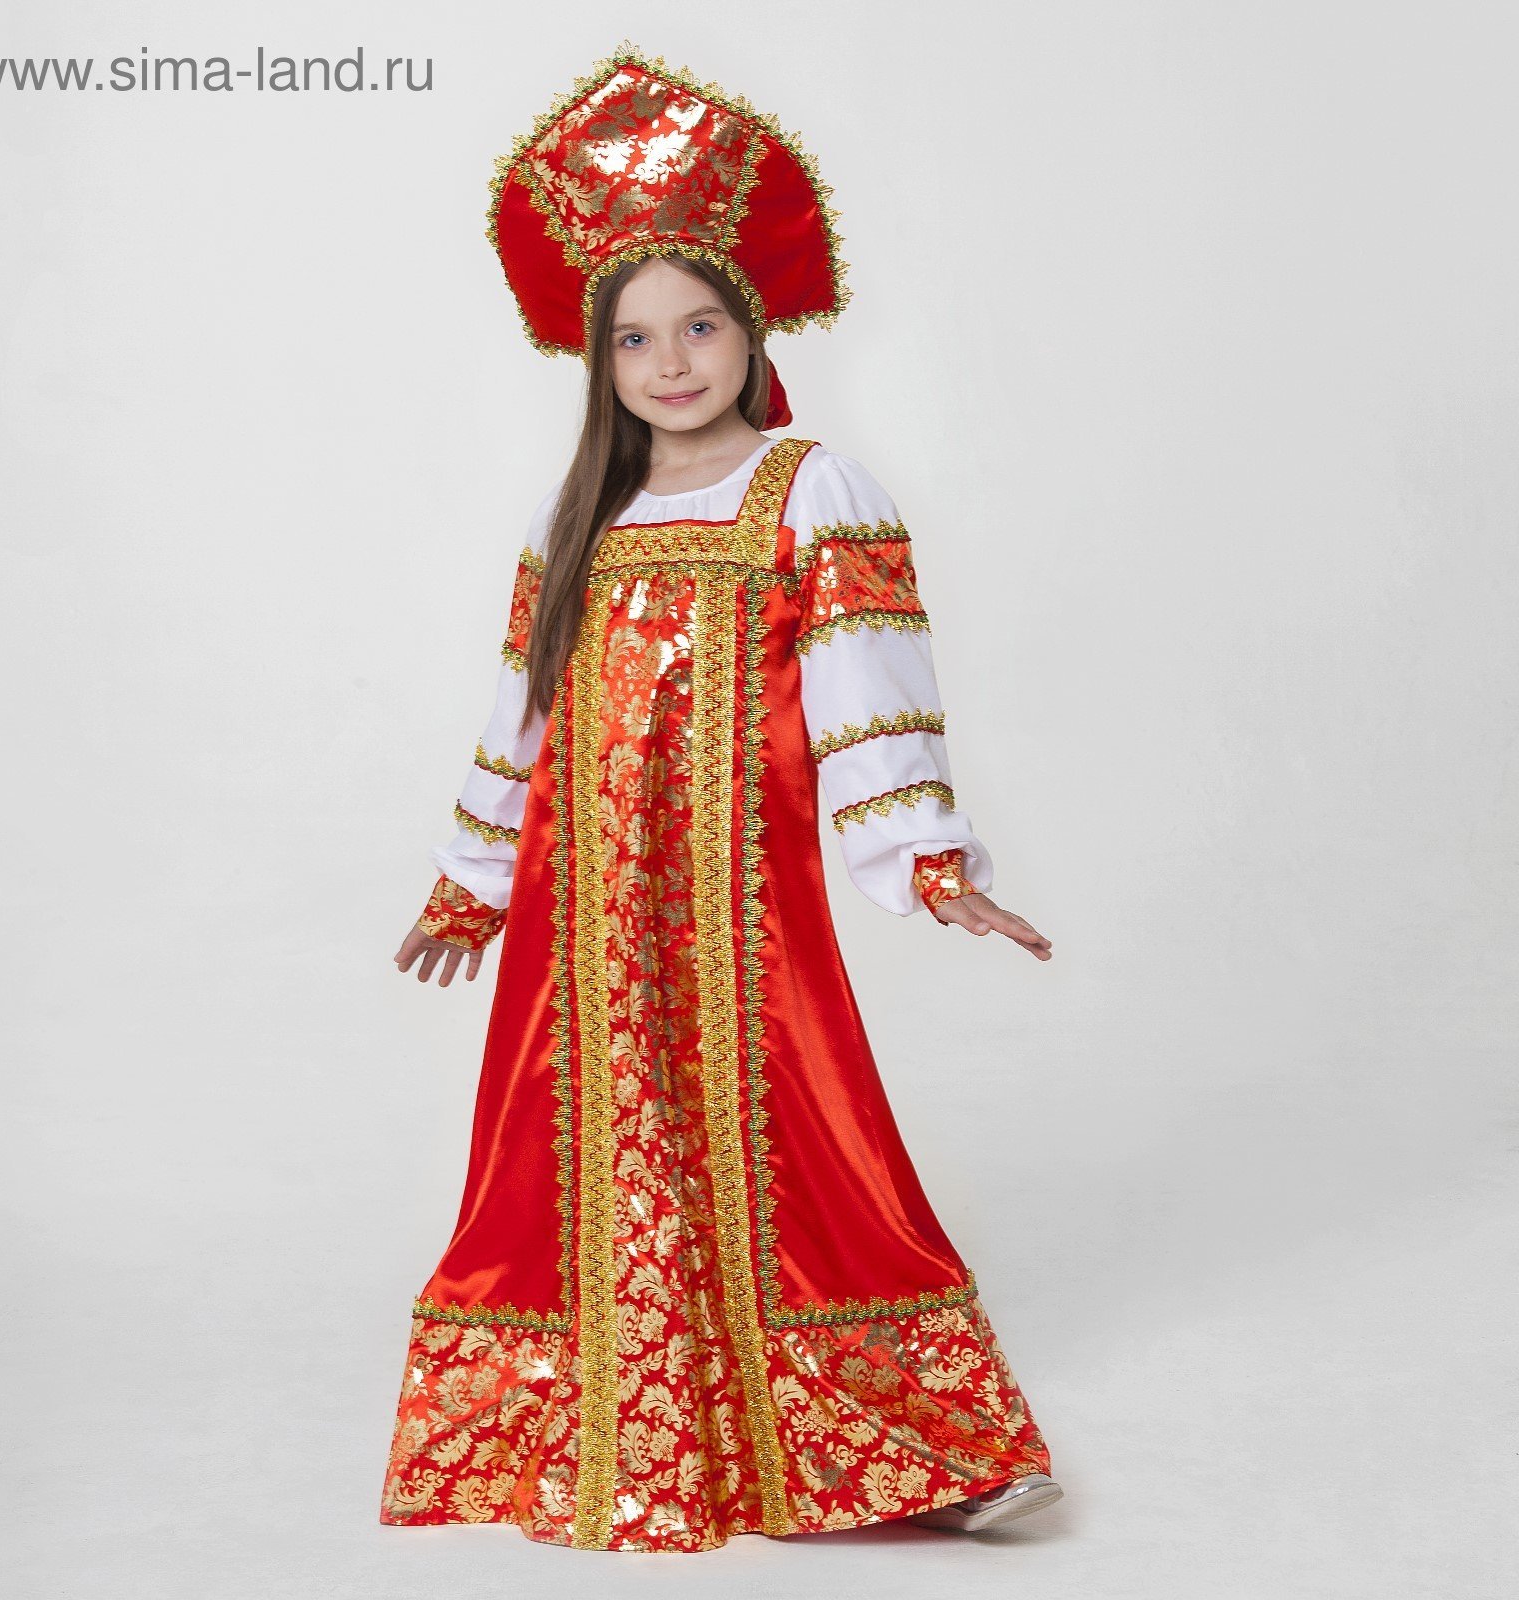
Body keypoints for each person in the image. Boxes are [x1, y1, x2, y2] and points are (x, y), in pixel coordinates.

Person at [379, 41, 1061, 1554]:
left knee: (802, 1149)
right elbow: (521, 720)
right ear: (600, 365)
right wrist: (470, 884)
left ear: (752, 333)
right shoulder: (578, 516)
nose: (672, 362)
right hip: (584, 927)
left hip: (742, 918)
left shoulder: (813, 490)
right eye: (636, 340)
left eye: (700, 327)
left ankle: (922, 1450)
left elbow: (872, 695)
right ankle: (607, 1433)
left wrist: (934, 864)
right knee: (570, 1165)